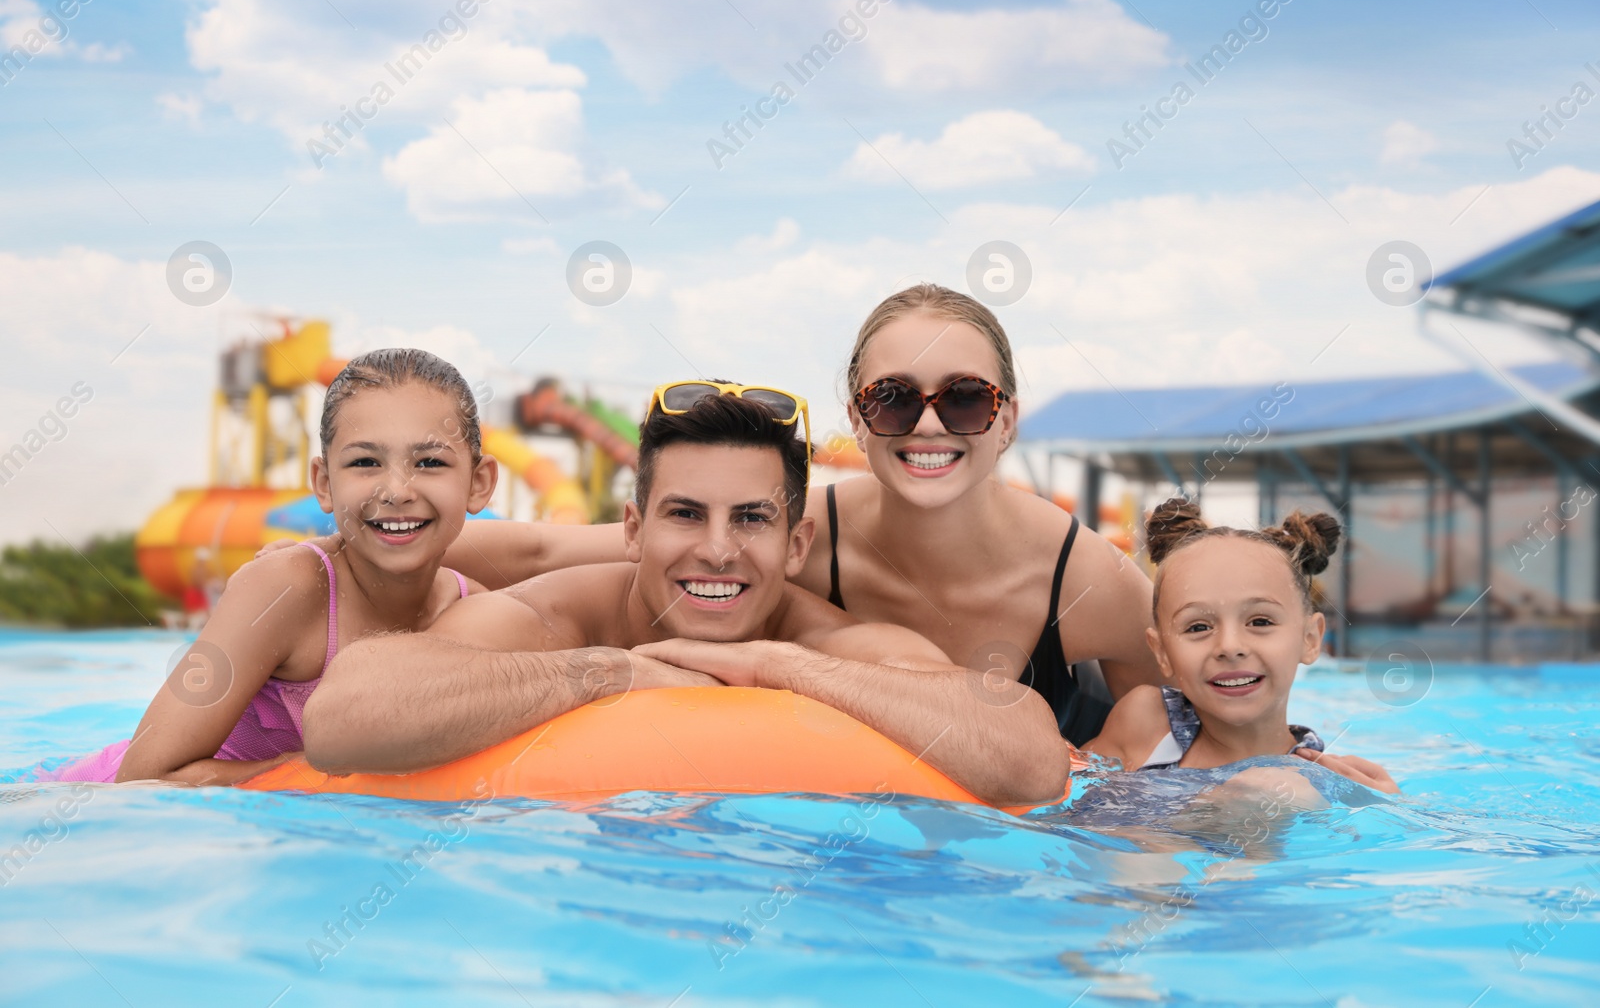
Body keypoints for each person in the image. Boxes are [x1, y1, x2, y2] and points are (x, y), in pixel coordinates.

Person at [302, 385, 1071, 807]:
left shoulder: (833, 645)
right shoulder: (558, 617)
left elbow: (1033, 762)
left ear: (796, 544)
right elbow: (342, 720)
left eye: (751, 518)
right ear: (633, 527)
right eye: (684, 514)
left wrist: (777, 667)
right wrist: (608, 672)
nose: (716, 548)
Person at [44, 349, 496, 785]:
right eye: (365, 462)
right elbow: (143, 776)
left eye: (430, 462)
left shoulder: (475, 609)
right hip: (82, 797)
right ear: (323, 483)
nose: (396, 489)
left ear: (479, 483)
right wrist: (332, 768)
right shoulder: (289, 588)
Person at [793, 283, 1163, 745]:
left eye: (965, 397)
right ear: (856, 420)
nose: (928, 425)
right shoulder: (796, 542)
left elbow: (1192, 752)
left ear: (1005, 422)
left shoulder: (1087, 579)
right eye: (893, 399)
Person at [1083, 497, 1398, 794]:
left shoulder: (1320, 784)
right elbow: (1061, 800)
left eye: (1260, 622)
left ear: (1309, 639)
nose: (1229, 646)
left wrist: (1389, 809)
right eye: (1198, 627)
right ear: (1162, 653)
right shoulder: (1146, 724)